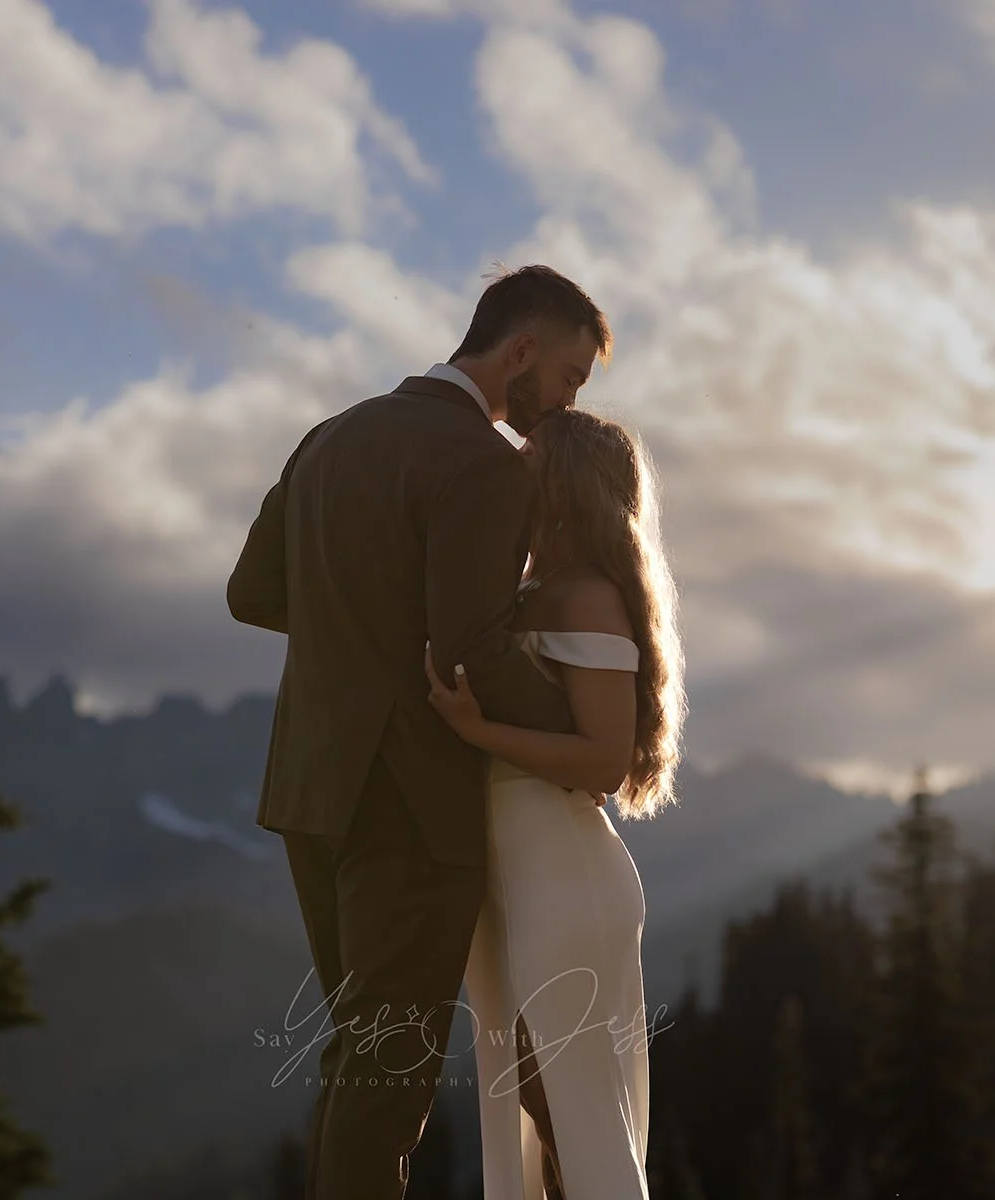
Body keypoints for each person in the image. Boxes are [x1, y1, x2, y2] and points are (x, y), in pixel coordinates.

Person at [227, 264, 610, 1199]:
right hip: (406, 807)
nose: (562, 405)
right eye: (567, 378)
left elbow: (251, 594)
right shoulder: (481, 462)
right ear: (519, 352)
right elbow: (473, 644)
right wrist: (588, 734)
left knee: (364, 1060)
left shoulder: (329, 437)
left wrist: (358, 638)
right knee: (385, 1082)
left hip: (309, 793)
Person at [426, 405, 684, 1199]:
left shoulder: (589, 598)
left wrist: (478, 729)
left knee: (575, 1114)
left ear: (562, 484)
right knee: (535, 1114)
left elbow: (605, 762)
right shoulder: (533, 590)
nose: (512, 473)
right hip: (517, 876)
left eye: (529, 463)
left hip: (564, 876)